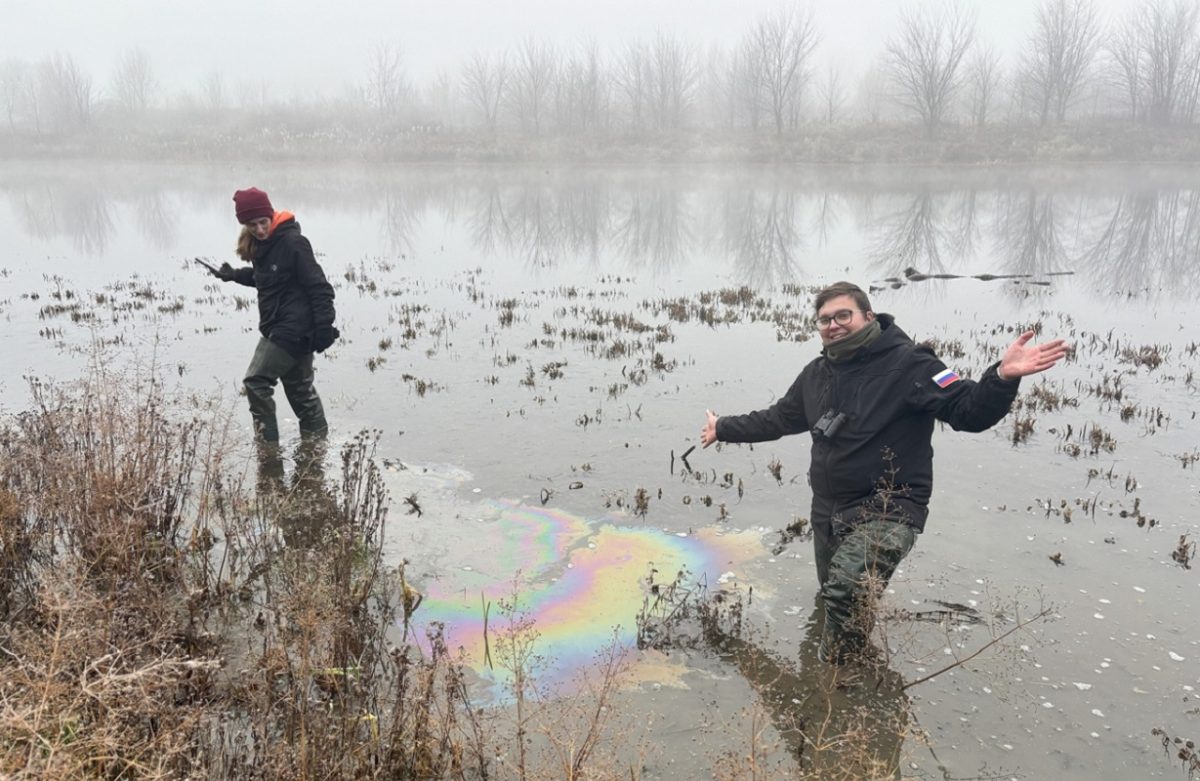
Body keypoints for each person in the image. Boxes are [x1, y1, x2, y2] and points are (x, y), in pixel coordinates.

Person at [699, 281, 1068, 664]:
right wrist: (722, 427)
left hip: (890, 506)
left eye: (843, 315)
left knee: (845, 589)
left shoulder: (912, 364)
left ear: (868, 316)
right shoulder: (816, 374)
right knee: (838, 597)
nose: (833, 325)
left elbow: (968, 411)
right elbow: (778, 418)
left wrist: (1002, 377)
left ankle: (837, 677)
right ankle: (852, 668)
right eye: (825, 320)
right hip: (829, 510)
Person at [207, 187, 339, 445]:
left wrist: (324, 328)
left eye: (263, 222)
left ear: (271, 215)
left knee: (256, 382)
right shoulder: (263, 245)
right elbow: (267, 278)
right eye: (252, 225)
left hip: (291, 330)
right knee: (301, 392)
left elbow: (320, 288)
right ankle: (315, 450)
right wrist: (233, 275)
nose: (259, 229)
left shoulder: (292, 243)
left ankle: (268, 452)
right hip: (281, 327)